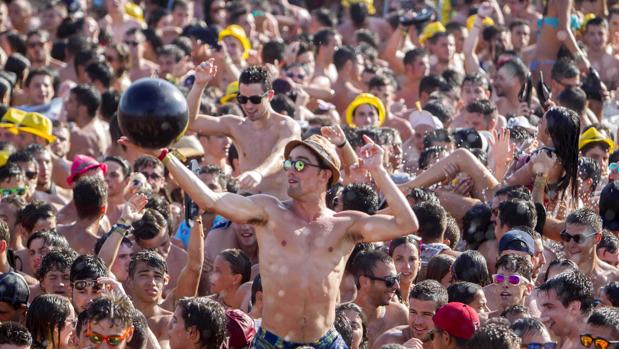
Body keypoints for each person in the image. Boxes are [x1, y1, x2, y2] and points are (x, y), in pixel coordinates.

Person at [120, 125, 417, 347]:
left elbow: (407, 223)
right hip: (273, 341)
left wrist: (378, 171)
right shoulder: (268, 211)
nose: (291, 170)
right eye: (289, 163)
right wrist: (164, 156)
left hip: (325, 341)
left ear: (325, 175)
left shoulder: (346, 225)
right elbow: (209, 198)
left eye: (300, 164)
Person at [187, 60, 301, 199]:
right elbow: (191, 122)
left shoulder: (287, 126)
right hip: (247, 207)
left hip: (279, 209)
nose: (248, 105)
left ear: (270, 95)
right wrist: (199, 85)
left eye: (255, 99)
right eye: (243, 99)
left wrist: (258, 173)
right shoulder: (235, 125)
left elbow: (281, 155)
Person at [351, 250, 408, 346]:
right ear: (365, 282)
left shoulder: (399, 315)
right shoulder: (343, 319)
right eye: (389, 281)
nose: (397, 286)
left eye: (397, 278)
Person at [373, 280, 448, 348]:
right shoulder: (389, 341)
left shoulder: (450, 342)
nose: (418, 322)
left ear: (441, 314)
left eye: (426, 314)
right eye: (413, 312)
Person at [562, 208, 618, 294]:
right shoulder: (553, 273)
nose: (571, 244)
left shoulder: (614, 278)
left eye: (579, 238)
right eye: (567, 237)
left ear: (597, 238)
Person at [538, 270, 595, 349]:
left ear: (574, 308)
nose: (542, 315)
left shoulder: (597, 345)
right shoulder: (569, 341)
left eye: (549, 307)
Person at [388, 236, 420, 306]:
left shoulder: (423, 296)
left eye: (412, 259)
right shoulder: (382, 298)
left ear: (419, 264)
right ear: (389, 262)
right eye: (399, 259)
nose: (407, 266)